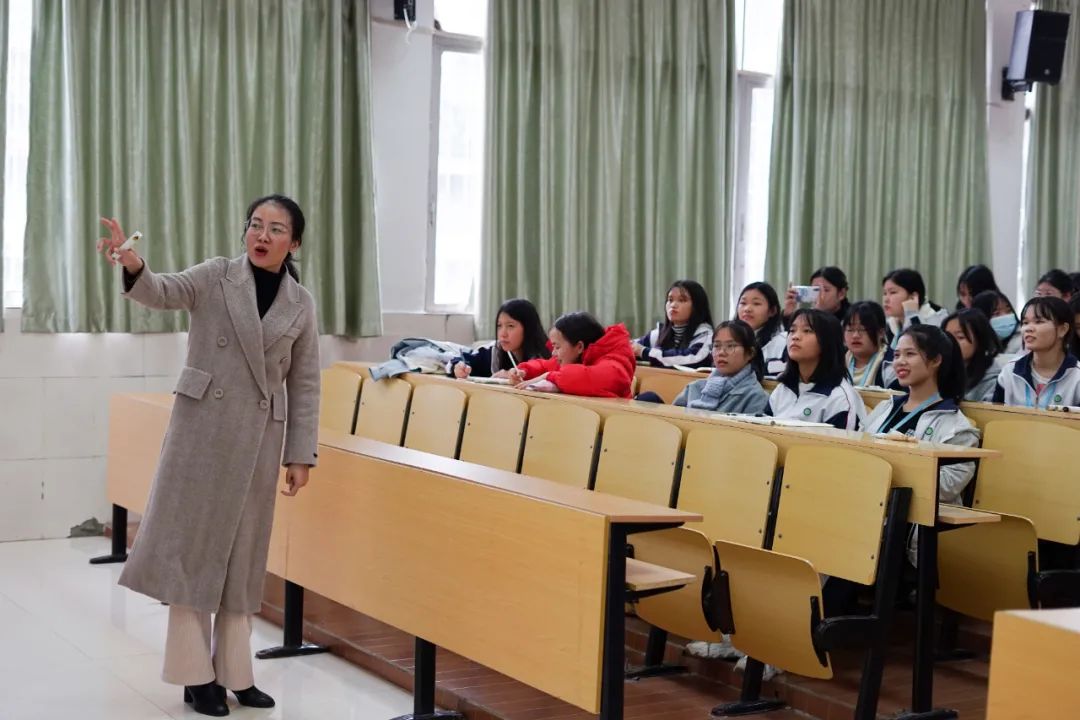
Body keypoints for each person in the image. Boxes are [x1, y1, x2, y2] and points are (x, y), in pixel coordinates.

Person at [95, 195, 320, 717]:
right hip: (201, 434)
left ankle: (235, 673)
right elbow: (163, 291)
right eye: (255, 225)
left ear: (294, 242)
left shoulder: (301, 303)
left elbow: (306, 382)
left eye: (276, 229)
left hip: (259, 440)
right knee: (192, 554)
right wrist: (133, 263)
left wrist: (300, 454)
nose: (261, 235)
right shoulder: (218, 275)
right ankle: (195, 675)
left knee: (243, 558)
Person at [865, 326, 980, 504]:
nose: (900, 361)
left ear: (935, 360)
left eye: (910, 354)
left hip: (912, 515)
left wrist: (892, 469)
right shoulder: (885, 407)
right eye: (896, 355)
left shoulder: (957, 427)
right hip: (868, 501)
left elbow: (946, 488)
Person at [765, 309, 866, 430]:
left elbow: (841, 442)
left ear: (827, 341)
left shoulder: (839, 397)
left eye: (807, 331)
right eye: (792, 330)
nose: (795, 337)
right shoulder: (783, 389)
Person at [509, 312, 636, 398]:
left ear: (579, 347)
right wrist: (524, 371)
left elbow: (592, 378)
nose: (553, 353)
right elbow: (545, 365)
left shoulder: (615, 363)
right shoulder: (572, 357)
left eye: (557, 347)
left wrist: (549, 376)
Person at [993, 297, 1080, 408]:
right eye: (1025, 322)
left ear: (1062, 329)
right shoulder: (1010, 371)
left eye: (1039, 322)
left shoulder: (1077, 377)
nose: (1028, 328)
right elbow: (994, 414)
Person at [673, 320, 769, 414]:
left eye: (731, 346)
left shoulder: (756, 396)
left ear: (750, 353)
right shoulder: (694, 388)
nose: (721, 352)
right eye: (717, 346)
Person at [449, 298, 549, 379]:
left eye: (510, 326)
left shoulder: (549, 356)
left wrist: (512, 376)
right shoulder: (493, 352)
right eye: (499, 326)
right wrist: (458, 367)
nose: (502, 334)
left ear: (528, 328)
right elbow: (459, 360)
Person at [632, 280, 715, 368]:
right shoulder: (658, 334)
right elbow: (633, 347)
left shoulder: (706, 334)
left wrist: (644, 352)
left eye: (682, 300)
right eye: (670, 300)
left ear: (697, 306)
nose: (673, 305)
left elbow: (694, 357)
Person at [943, 309, 1004, 402]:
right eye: (947, 336)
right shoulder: (939, 373)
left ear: (980, 339)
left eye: (960, 337)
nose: (951, 342)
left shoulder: (995, 382)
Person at [881, 268, 948, 347]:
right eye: (885, 293)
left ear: (913, 297)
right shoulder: (891, 325)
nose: (886, 299)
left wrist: (912, 315)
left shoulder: (935, 322)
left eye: (893, 292)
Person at [735, 282, 787, 376]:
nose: (747, 309)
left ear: (772, 311)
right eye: (743, 303)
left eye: (756, 303)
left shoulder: (784, 342)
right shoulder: (728, 339)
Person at [782, 265, 852, 326]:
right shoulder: (809, 315)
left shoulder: (853, 317)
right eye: (815, 290)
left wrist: (819, 315)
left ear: (841, 294)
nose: (819, 295)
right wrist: (788, 315)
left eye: (826, 290)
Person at [843, 301, 890, 388]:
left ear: (881, 332)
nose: (855, 335)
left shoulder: (890, 364)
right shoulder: (838, 362)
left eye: (863, 329)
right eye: (850, 330)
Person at [971, 290, 1023, 356]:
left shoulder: (1024, 342)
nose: (1005, 316)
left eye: (1009, 310)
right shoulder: (975, 347)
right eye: (996, 313)